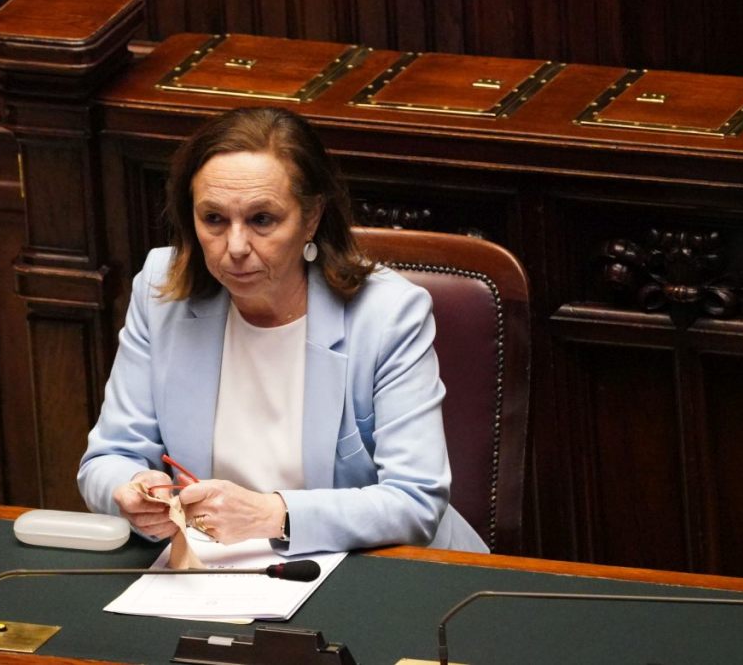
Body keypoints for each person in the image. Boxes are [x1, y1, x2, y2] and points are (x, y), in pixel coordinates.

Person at [77, 107, 487, 556]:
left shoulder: (387, 314)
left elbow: (415, 502)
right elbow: (107, 458)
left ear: (311, 217)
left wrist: (274, 515)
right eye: (214, 219)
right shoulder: (161, 290)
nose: (235, 247)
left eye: (262, 220)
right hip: (214, 572)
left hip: (373, 570)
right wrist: (133, 489)